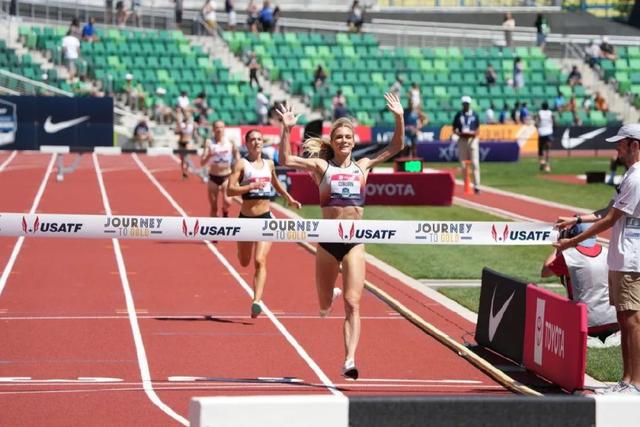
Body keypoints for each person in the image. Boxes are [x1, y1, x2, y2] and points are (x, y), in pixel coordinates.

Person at [277, 93, 404, 380]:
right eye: (339, 137)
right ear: (332, 142)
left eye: (348, 137)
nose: (344, 141)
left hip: (354, 243)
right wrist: (287, 128)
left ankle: (349, 359)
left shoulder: (364, 166)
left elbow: (397, 146)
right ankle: (329, 296)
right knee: (323, 305)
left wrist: (398, 117)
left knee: (353, 302)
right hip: (327, 243)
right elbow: (286, 158)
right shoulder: (322, 167)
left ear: (354, 141)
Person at [554, 123, 640, 394]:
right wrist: (577, 219)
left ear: (634, 145)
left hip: (631, 258)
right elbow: (609, 209)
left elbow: (611, 219)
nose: (616, 147)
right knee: (625, 320)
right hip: (622, 257)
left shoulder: (637, 178)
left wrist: (573, 241)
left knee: (632, 321)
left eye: (621, 143)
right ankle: (627, 380)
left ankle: (635, 383)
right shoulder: (630, 176)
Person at [227, 129, 301, 318]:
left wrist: (289, 198)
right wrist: (250, 186)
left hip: (266, 219)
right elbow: (230, 190)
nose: (257, 142)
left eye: (259, 139)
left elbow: (275, 183)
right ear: (247, 143)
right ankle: (240, 251)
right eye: (253, 140)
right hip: (245, 220)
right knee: (244, 262)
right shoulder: (242, 164)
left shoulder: (269, 163)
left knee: (259, 260)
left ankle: (256, 301)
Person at [542, 223, 619, 346]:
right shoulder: (607, 252)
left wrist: (560, 248)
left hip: (585, 323)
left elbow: (545, 272)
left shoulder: (569, 257)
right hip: (614, 320)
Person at [201, 120, 239, 219]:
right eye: (217, 127)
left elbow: (237, 155)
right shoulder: (209, 142)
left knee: (228, 202)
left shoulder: (230, 141)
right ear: (213, 129)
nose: (219, 130)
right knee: (213, 208)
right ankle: (214, 231)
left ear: (224, 128)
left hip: (226, 176)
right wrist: (209, 154)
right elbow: (202, 162)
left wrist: (238, 168)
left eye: (221, 127)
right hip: (213, 177)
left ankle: (225, 211)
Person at [453, 96, 481, 194]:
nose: (466, 105)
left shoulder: (474, 114)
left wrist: (474, 134)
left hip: (472, 140)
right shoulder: (459, 114)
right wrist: (458, 133)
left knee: (475, 163)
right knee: (463, 164)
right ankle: (466, 184)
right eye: (464, 104)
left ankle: (477, 185)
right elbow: (454, 128)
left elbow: (478, 128)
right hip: (462, 139)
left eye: (467, 104)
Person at [536, 101, 554, 172]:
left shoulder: (540, 112)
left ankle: (542, 163)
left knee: (540, 149)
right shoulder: (550, 112)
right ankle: (547, 165)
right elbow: (552, 121)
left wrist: (536, 126)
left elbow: (537, 121)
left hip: (541, 132)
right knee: (548, 149)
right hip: (549, 132)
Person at [176, 113, 195, 178]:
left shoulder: (190, 126)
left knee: (187, 158)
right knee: (182, 159)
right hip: (181, 142)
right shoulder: (181, 125)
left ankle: (186, 171)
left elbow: (191, 133)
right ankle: (183, 172)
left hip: (187, 142)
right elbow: (177, 131)